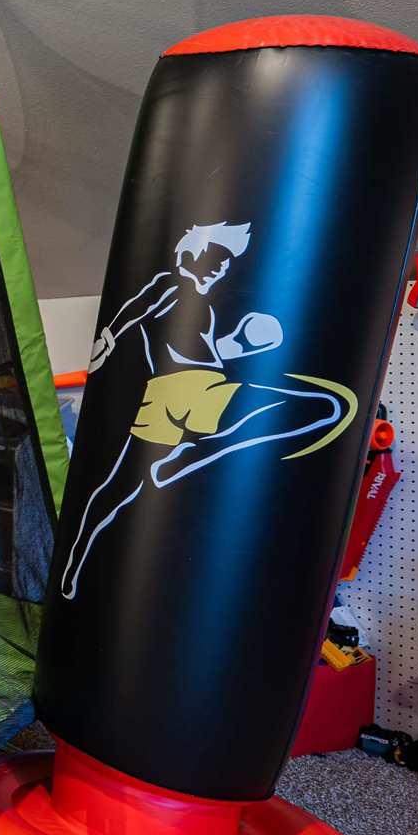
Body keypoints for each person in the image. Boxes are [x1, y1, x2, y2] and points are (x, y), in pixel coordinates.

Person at [56, 220, 355, 601]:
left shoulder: (199, 306)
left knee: (117, 490)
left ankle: (72, 569)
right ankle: (191, 456)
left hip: (170, 398)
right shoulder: (173, 283)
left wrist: (241, 343)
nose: (222, 268)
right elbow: (137, 308)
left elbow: (204, 350)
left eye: (226, 262)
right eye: (217, 258)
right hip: (196, 391)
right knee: (327, 406)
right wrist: (107, 341)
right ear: (193, 253)